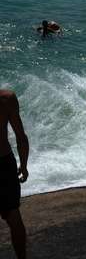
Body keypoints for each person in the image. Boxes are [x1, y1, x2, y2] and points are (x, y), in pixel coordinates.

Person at [0, 89, 29, 259]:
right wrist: (23, 166)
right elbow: (21, 137)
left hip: (4, 164)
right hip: (3, 164)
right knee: (14, 217)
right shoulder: (6, 98)